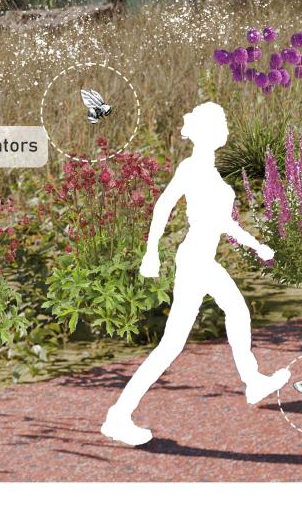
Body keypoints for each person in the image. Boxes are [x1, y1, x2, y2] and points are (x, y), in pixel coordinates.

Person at [101, 102, 289, 446]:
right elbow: (163, 205)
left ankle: (252, 381)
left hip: (204, 261)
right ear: (208, 131)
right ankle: (118, 416)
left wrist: (256, 245)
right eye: (223, 123)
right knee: (171, 346)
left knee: (237, 310)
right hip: (193, 262)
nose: (227, 128)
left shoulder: (211, 172)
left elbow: (222, 222)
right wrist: (151, 251)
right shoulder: (191, 167)